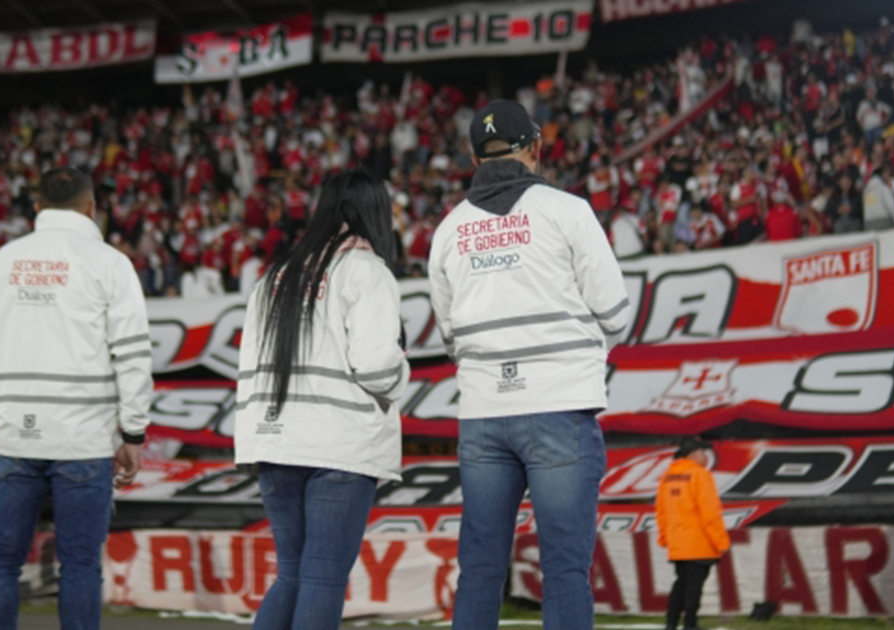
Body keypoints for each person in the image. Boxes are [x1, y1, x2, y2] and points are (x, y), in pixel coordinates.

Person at [429, 101, 630, 630]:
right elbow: (617, 315)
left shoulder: (447, 231)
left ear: (474, 158)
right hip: (559, 404)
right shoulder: (567, 211)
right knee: (564, 569)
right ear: (536, 149)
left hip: (483, 412)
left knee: (479, 568)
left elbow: (451, 336)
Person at [0, 167, 152, 630]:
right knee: (81, 564)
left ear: (37, 208)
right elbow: (133, 357)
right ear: (92, 208)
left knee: (1, 560)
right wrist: (133, 432)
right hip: (82, 440)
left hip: (14, 440)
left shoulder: (1, 261)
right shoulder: (108, 262)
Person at [235, 170, 408, 630]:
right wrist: (402, 374)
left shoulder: (275, 275)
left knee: (292, 573)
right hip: (338, 446)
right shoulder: (366, 271)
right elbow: (375, 366)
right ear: (375, 211)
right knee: (323, 579)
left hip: (273, 440)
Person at [656, 437, 729, 630]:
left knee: (681, 584)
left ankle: (670, 624)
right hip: (700, 543)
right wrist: (721, 542)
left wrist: (665, 537)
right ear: (694, 454)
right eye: (703, 452)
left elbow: (661, 511)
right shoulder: (700, 475)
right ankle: (690, 625)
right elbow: (710, 513)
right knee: (694, 588)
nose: (706, 457)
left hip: (677, 544)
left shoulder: (667, 476)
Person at [862, 166, 894, 230]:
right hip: (884, 221)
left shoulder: (866, 191)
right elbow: (891, 205)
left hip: (868, 223)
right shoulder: (883, 188)